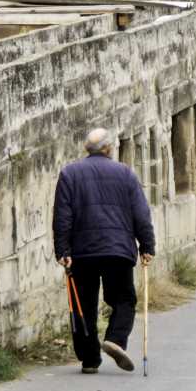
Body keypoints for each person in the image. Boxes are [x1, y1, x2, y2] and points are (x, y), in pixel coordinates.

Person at [53, 128, 156, 373]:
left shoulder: (69, 174)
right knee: (123, 299)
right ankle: (115, 339)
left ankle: (89, 360)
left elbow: (62, 217)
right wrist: (147, 246)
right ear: (109, 149)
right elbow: (141, 214)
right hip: (117, 251)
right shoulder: (125, 174)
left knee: (82, 305)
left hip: (81, 253)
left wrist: (62, 250)